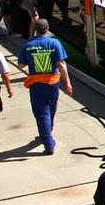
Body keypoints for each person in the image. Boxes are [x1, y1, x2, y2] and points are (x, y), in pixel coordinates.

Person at [16, 18, 72, 155]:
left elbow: (21, 65)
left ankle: (48, 143)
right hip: (52, 83)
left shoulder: (26, 44)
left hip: (36, 84)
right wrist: (68, 84)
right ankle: (47, 133)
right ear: (47, 29)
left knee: (42, 114)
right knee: (51, 110)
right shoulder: (54, 43)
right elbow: (61, 65)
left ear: (35, 29)